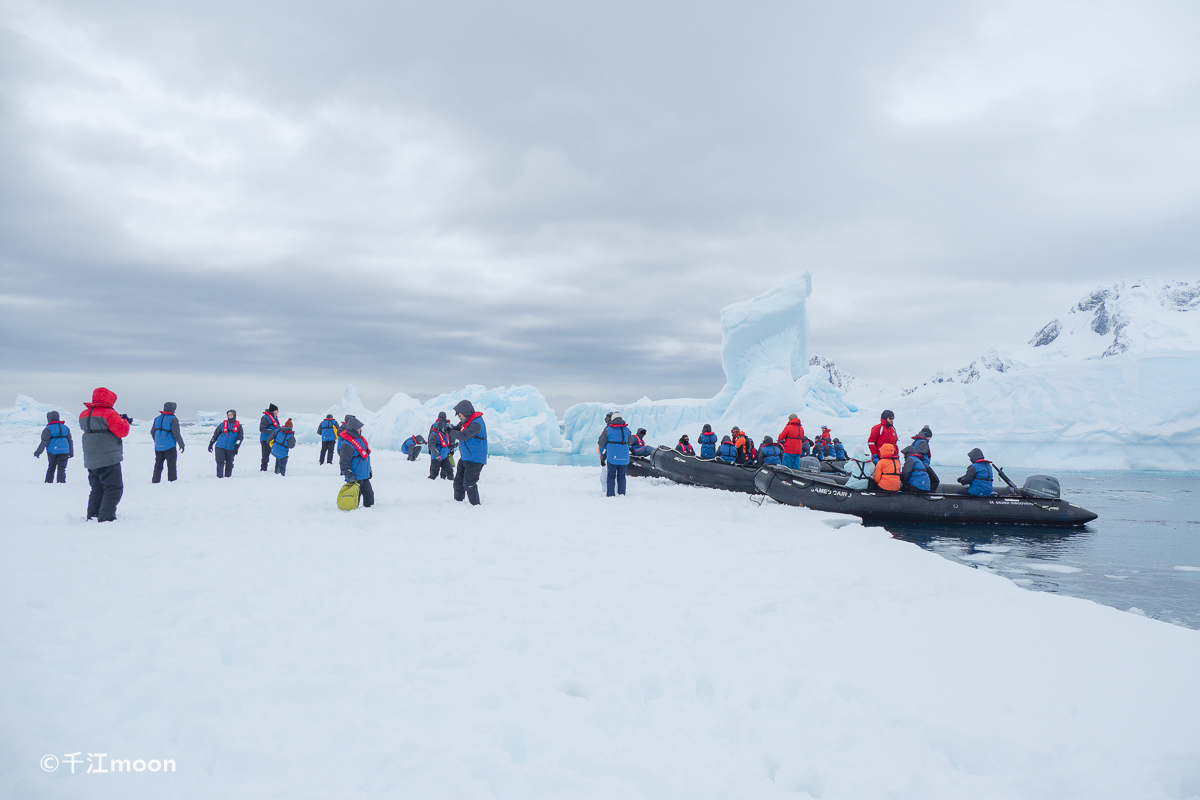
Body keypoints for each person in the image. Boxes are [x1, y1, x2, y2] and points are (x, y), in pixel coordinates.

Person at [79, 387, 131, 522]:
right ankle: (106, 518)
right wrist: (124, 420)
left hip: (91, 457)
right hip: (108, 457)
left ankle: (93, 515)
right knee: (114, 488)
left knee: (97, 488)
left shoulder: (84, 414)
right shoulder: (110, 413)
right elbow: (122, 432)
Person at [448, 399, 487, 505]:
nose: (459, 417)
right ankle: (458, 503)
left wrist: (450, 432)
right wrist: (447, 427)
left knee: (469, 483)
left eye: (460, 415)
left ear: (466, 412)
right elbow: (457, 429)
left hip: (475, 459)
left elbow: (463, 436)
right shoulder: (465, 421)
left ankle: (475, 506)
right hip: (466, 457)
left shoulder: (477, 423)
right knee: (458, 482)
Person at [339, 415, 374, 508]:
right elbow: (344, 461)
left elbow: (365, 455)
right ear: (353, 429)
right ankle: (353, 518)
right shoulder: (347, 444)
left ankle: (369, 515)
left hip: (363, 475)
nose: (360, 430)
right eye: (358, 428)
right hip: (355, 477)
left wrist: (369, 470)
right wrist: (348, 474)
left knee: (369, 499)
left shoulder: (359, 439)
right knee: (353, 500)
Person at [34, 410, 73, 483]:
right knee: (62, 468)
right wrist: (71, 452)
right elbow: (70, 440)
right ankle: (61, 483)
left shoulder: (48, 429)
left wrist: (38, 452)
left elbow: (44, 441)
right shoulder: (65, 427)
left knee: (51, 466)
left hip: (52, 450)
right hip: (65, 450)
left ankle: (48, 482)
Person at [150, 402, 185, 483]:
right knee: (171, 465)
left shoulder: (157, 418)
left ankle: (155, 481)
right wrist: (181, 444)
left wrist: (157, 440)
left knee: (158, 465)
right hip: (170, 446)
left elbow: (152, 432)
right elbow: (176, 434)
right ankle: (172, 481)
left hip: (158, 446)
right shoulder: (173, 419)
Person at [597, 413, 631, 497]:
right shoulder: (627, 430)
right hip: (624, 458)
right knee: (622, 476)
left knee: (611, 476)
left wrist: (602, 455)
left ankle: (610, 494)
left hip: (612, 457)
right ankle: (622, 493)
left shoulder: (608, 430)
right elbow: (630, 441)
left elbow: (601, 443)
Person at [207, 410, 244, 478]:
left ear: (234, 416)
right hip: (220, 446)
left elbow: (240, 438)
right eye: (229, 415)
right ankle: (219, 477)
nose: (230, 416)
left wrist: (236, 447)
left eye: (231, 415)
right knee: (220, 462)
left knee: (229, 463)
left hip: (231, 447)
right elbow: (216, 434)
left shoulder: (238, 426)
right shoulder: (222, 424)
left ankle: (228, 477)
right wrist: (211, 443)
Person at [428, 413, 455, 480]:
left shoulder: (441, 431)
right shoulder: (436, 434)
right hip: (438, 455)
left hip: (444, 455)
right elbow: (432, 444)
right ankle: (431, 483)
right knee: (434, 473)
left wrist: (453, 446)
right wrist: (436, 454)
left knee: (449, 470)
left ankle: (448, 482)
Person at [259, 404, 281, 471]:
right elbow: (262, 429)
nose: (278, 412)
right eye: (277, 410)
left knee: (278, 453)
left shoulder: (275, 418)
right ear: (274, 411)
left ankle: (278, 469)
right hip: (266, 439)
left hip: (274, 439)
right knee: (265, 456)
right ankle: (263, 469)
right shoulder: (265, 418)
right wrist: (272, 432)